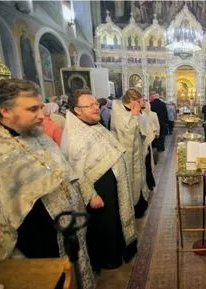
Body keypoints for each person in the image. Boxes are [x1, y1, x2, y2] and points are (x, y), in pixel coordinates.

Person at [0, 79, 95, 289]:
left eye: (41, 106)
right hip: (38, 237)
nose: (42, 114)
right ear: (5, 111)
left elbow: (66, 171)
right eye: (32, 109)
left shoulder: (38, 135)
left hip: (68, 227)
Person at [61, 89, 138, 271]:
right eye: (90, 106)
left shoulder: (94, 125)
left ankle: (120, 250)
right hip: (98, 190)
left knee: (116, 220)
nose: (97, 108)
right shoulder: (73, 136)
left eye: (96, 103)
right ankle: (108, 259)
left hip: (112, 184)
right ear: (77, 110)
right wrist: (91, 195)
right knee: (105, 225)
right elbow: (75, 171)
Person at [110, 88, 153, 218]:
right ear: (132, 101)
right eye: (139, 101)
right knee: (130, 181)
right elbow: (126, 136)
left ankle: (140, 205)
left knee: (140, 179)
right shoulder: (118, 113)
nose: (141, 103)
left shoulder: (136, 112)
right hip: (126, 157)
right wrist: (134, 116)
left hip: (138, 153)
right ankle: (131, 209)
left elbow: (143, 129)